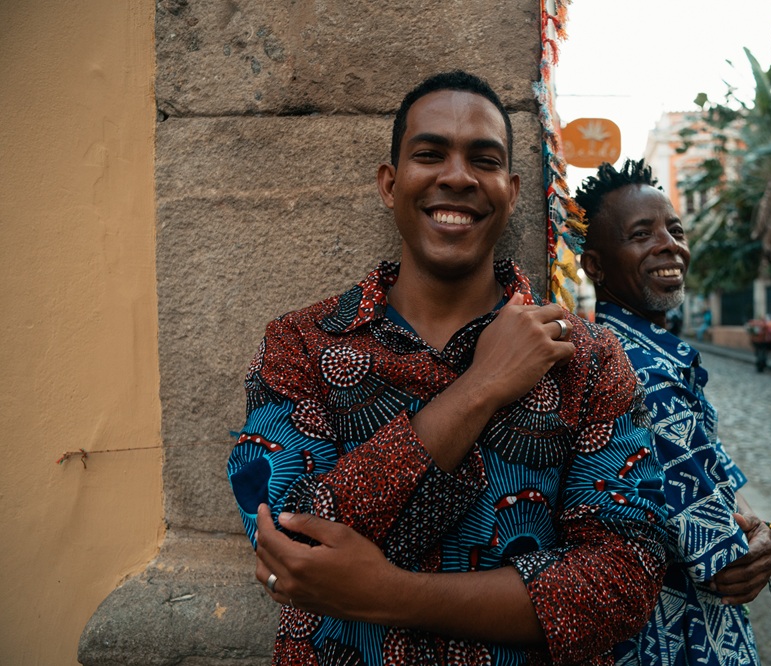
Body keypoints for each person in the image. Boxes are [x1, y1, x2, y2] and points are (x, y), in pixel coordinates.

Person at [227, 72, 729, 665]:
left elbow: (625, 579)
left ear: (511, 192)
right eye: (430, 154)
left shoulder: (587, 358)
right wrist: (482, 386)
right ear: (390, 183)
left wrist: (393, 596)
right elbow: (286, 540)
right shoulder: (303, 344)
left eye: (484, 160)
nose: (458, 177)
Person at [577, 159, 771, 666]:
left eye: (675, 230)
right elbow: (727, 563)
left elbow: (718, 475)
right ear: (595, 266)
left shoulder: (642, 353)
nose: (669, 245)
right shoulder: (643, 373)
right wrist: (770, 539)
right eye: (641, 234)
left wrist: (762, 531)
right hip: (681, 641)